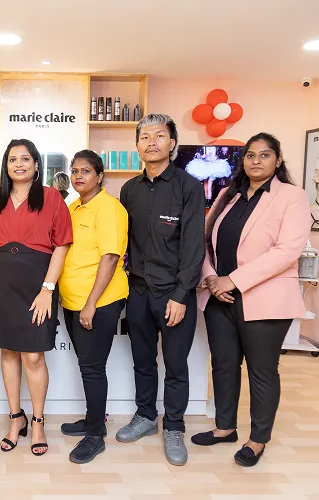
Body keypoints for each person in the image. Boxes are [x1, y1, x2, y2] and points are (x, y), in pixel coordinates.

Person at [192, 133, 312, 467]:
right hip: (219, 297)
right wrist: (211, 278)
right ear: (242, 160)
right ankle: (225, 428)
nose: (256, 161)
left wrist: (233, 279)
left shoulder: (292, 196)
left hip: (264, 298)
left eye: (265, 155)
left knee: (262, 371)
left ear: (278, 160)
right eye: (250, 155)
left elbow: (287, 250)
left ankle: (257, 439)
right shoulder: (227, 195)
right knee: (223, 364)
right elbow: (205, 241)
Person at [0, 138, 72, 456]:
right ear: (5, 165)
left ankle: (37, 422)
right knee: (9, 352)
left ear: (36, 165)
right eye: (12, 159)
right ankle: (16, 419)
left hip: (37, 285)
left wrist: (47, 289)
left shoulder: (52, 198)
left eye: (25, 158)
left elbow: (62, 245)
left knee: (33, 357)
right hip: (0, 284)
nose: (19, 164)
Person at [117, 114, 206, 466]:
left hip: (174, 292)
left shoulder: (189, 187)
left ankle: (174, 427)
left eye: (159, 135)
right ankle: (145, 417)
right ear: (137, 145)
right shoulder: (129, 190)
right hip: (138, 291)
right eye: (144, 136)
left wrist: (182, 294)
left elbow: (194, 247)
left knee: (175, 364)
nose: (151, 142)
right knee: (142, 361)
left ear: (172, 143)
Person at [58, 150, 128, 464]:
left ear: (99, 176)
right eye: (74, 171)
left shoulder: (109, 208)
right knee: (86, 365)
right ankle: (91, 420)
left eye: (85, 171)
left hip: (98, 302)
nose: (78, 176)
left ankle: (96, 435)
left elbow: (110, 257)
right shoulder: (73, 207)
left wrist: (90, 304)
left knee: (92, 368)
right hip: (73, 300)